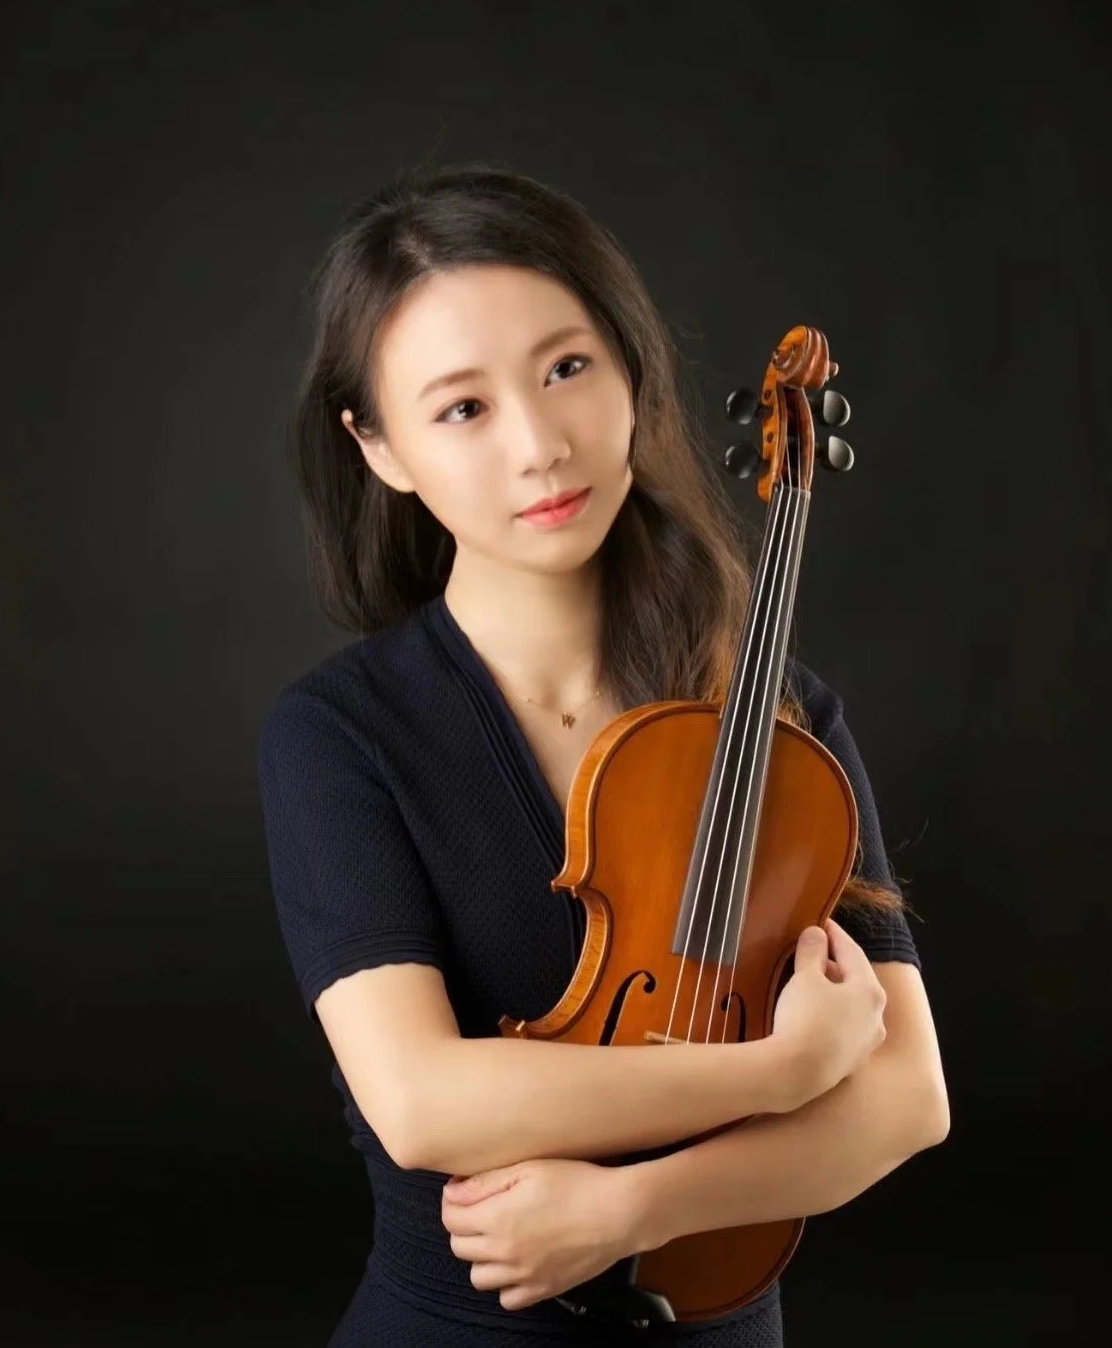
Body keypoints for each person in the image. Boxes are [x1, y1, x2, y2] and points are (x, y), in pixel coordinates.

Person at [257, 161, 950, 1347]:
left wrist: (631, 1209)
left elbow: (907, 1101)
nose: (540, 446)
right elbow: (422, 1102)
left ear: (633, 369)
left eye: (567, 368)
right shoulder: (339, 736)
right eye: (462, 409)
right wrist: (777, 1076)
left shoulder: (774, 713)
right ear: (379, 448)